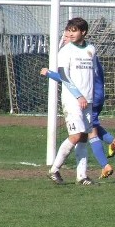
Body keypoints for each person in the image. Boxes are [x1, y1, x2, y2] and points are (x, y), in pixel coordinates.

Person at [42, 52, 115, 179]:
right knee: (91, 127)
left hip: (88, 99)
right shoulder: (94, 59)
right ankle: (112, 141)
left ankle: (105, 165)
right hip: (99, 97)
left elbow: (67, 79)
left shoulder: (79, 60)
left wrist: (49, 73)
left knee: (88, 134)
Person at [41, 17, 97, 185]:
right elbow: (64, 76)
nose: (70, 34)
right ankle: (54, 169)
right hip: (72, 99)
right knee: (76, 135)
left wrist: (91, 97)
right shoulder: (66, 51)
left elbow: (91, 75)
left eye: (74, 31)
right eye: (68, 30)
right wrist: (78, 96)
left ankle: (82, 176)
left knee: (83, 137)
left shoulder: (91, 49)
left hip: (88, 99)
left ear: (83, 32)